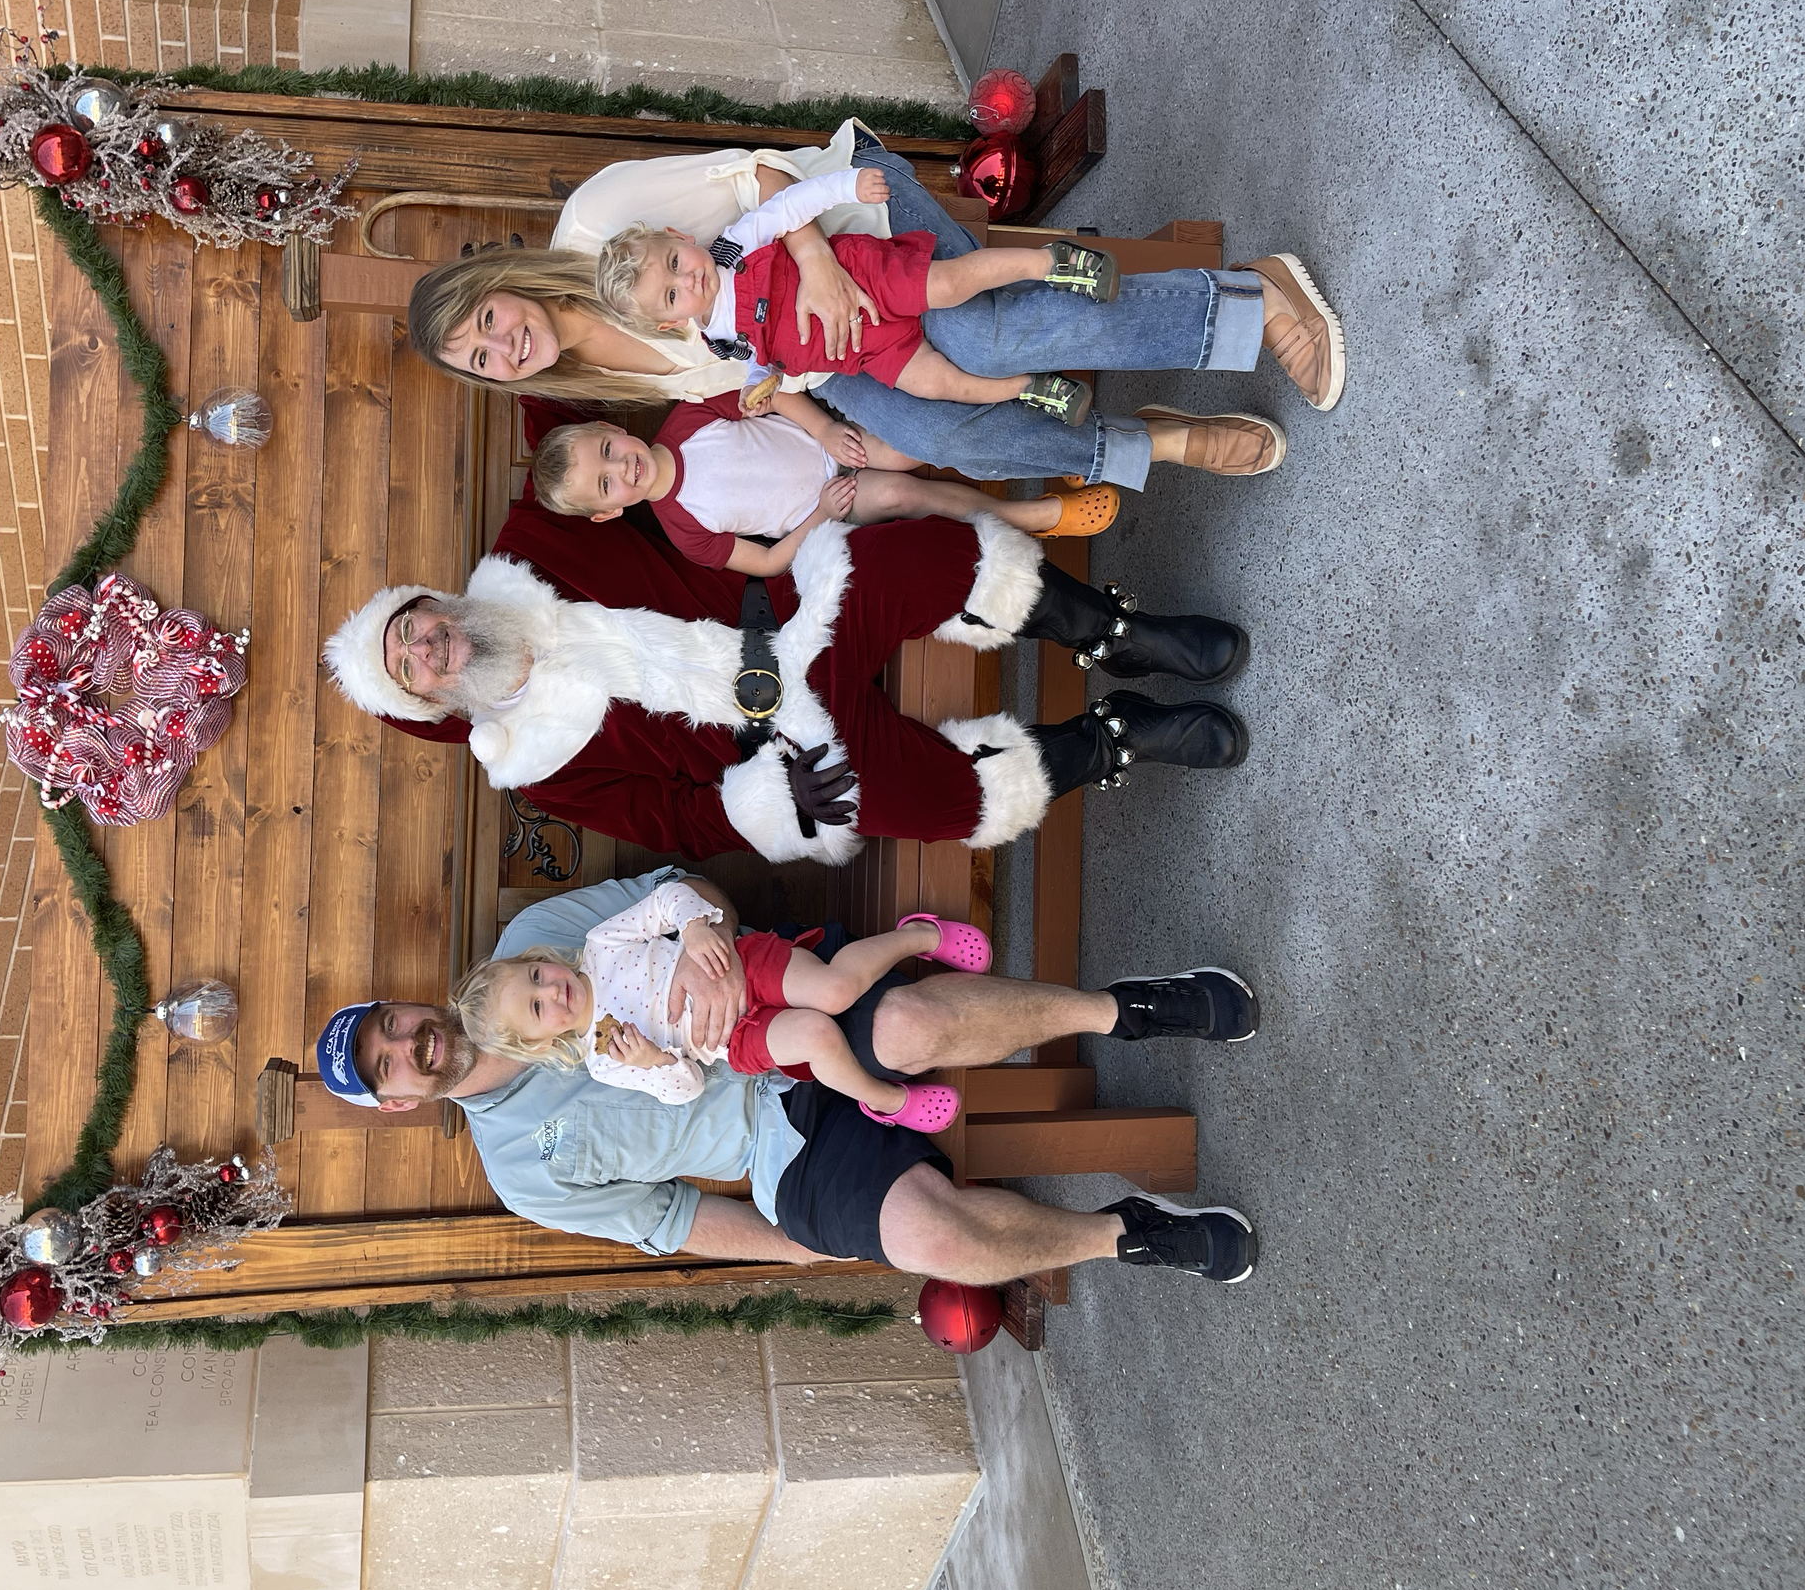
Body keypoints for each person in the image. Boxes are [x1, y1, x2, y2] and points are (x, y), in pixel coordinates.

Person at [309, 868, 1262, 1285]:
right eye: (388, 1065)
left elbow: (681, 894)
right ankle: (1125, 1235)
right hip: (771, 1146)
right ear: (397, 1102)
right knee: (923, 1232)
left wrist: (701, 941)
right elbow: (674, 1220)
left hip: (770, 1015)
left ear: (407, 1005)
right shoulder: (521, 1172)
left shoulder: (531, 947)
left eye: (390, 1025)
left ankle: (1125, 1009)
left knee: (907, 1020)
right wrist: (798, 1248)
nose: (408, 1045)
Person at [405, 119, 1336, 484]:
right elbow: (738, 374)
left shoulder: (597, 219)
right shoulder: (598, 375)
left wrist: (812, 260)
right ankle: (1156, 441)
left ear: (499, 286)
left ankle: (1254, 300)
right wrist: (816, 426)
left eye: (485, 321)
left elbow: (756, 177)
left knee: (983, 332)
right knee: (941, 437)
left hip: (839, 225)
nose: (504, 344)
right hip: (822, 349)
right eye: (481, 359)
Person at [320, 512, 1246, 865]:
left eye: (410, 627)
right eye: (409, 670)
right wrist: (768, 800)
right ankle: (1111, 739)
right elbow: (674, 820)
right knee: (950, 803)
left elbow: (604, 448)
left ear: (431, 600)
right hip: (784, 747)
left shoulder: (533, 542)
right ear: (432, 706)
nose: (426, 650)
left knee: (936, 557)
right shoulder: (533, 766)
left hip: (790, 608)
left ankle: (1115, 633)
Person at [450, 873, 977, 1131]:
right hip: (732, 1041)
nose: (551, 991)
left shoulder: (601, 946)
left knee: (834, 990)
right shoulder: (606, 1062)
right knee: (818, 1037)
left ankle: (919, 937)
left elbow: (667, 899)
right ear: (540, 1044)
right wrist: (653, 1061)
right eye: (537, 1009)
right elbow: (687, 1089)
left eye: (537, 975)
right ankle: (883, 1103)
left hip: (735, 966)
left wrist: (696, 928)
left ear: (540, 958)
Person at [593, 164, 1118, 422]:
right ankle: (1028, 387)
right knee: (938, 386)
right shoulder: (718, 342)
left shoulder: (731, 250)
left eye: (674, 262)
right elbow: (762, 363)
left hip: (862, 278)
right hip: (861, 349)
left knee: (952, 285)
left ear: (682, 239)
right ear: (670, 323)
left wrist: (846, 186)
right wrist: (762, 387)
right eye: (670, 296)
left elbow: (790, 208)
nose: (687, 280)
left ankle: (1053, 260)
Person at [528, 402, 1121, 577]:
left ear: (611, 429)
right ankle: (1035, 515)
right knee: (901, 496)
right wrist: (817, 516)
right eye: (605, 484)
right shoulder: (685, 531)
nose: (621, 468)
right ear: (607, 513)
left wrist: (827, 429)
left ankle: (1051, 443)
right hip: (829, 505)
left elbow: (770, 393)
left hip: (835, 444)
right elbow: (762, 561)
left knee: (919, 444)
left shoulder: (688, 419)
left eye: (607, 452)